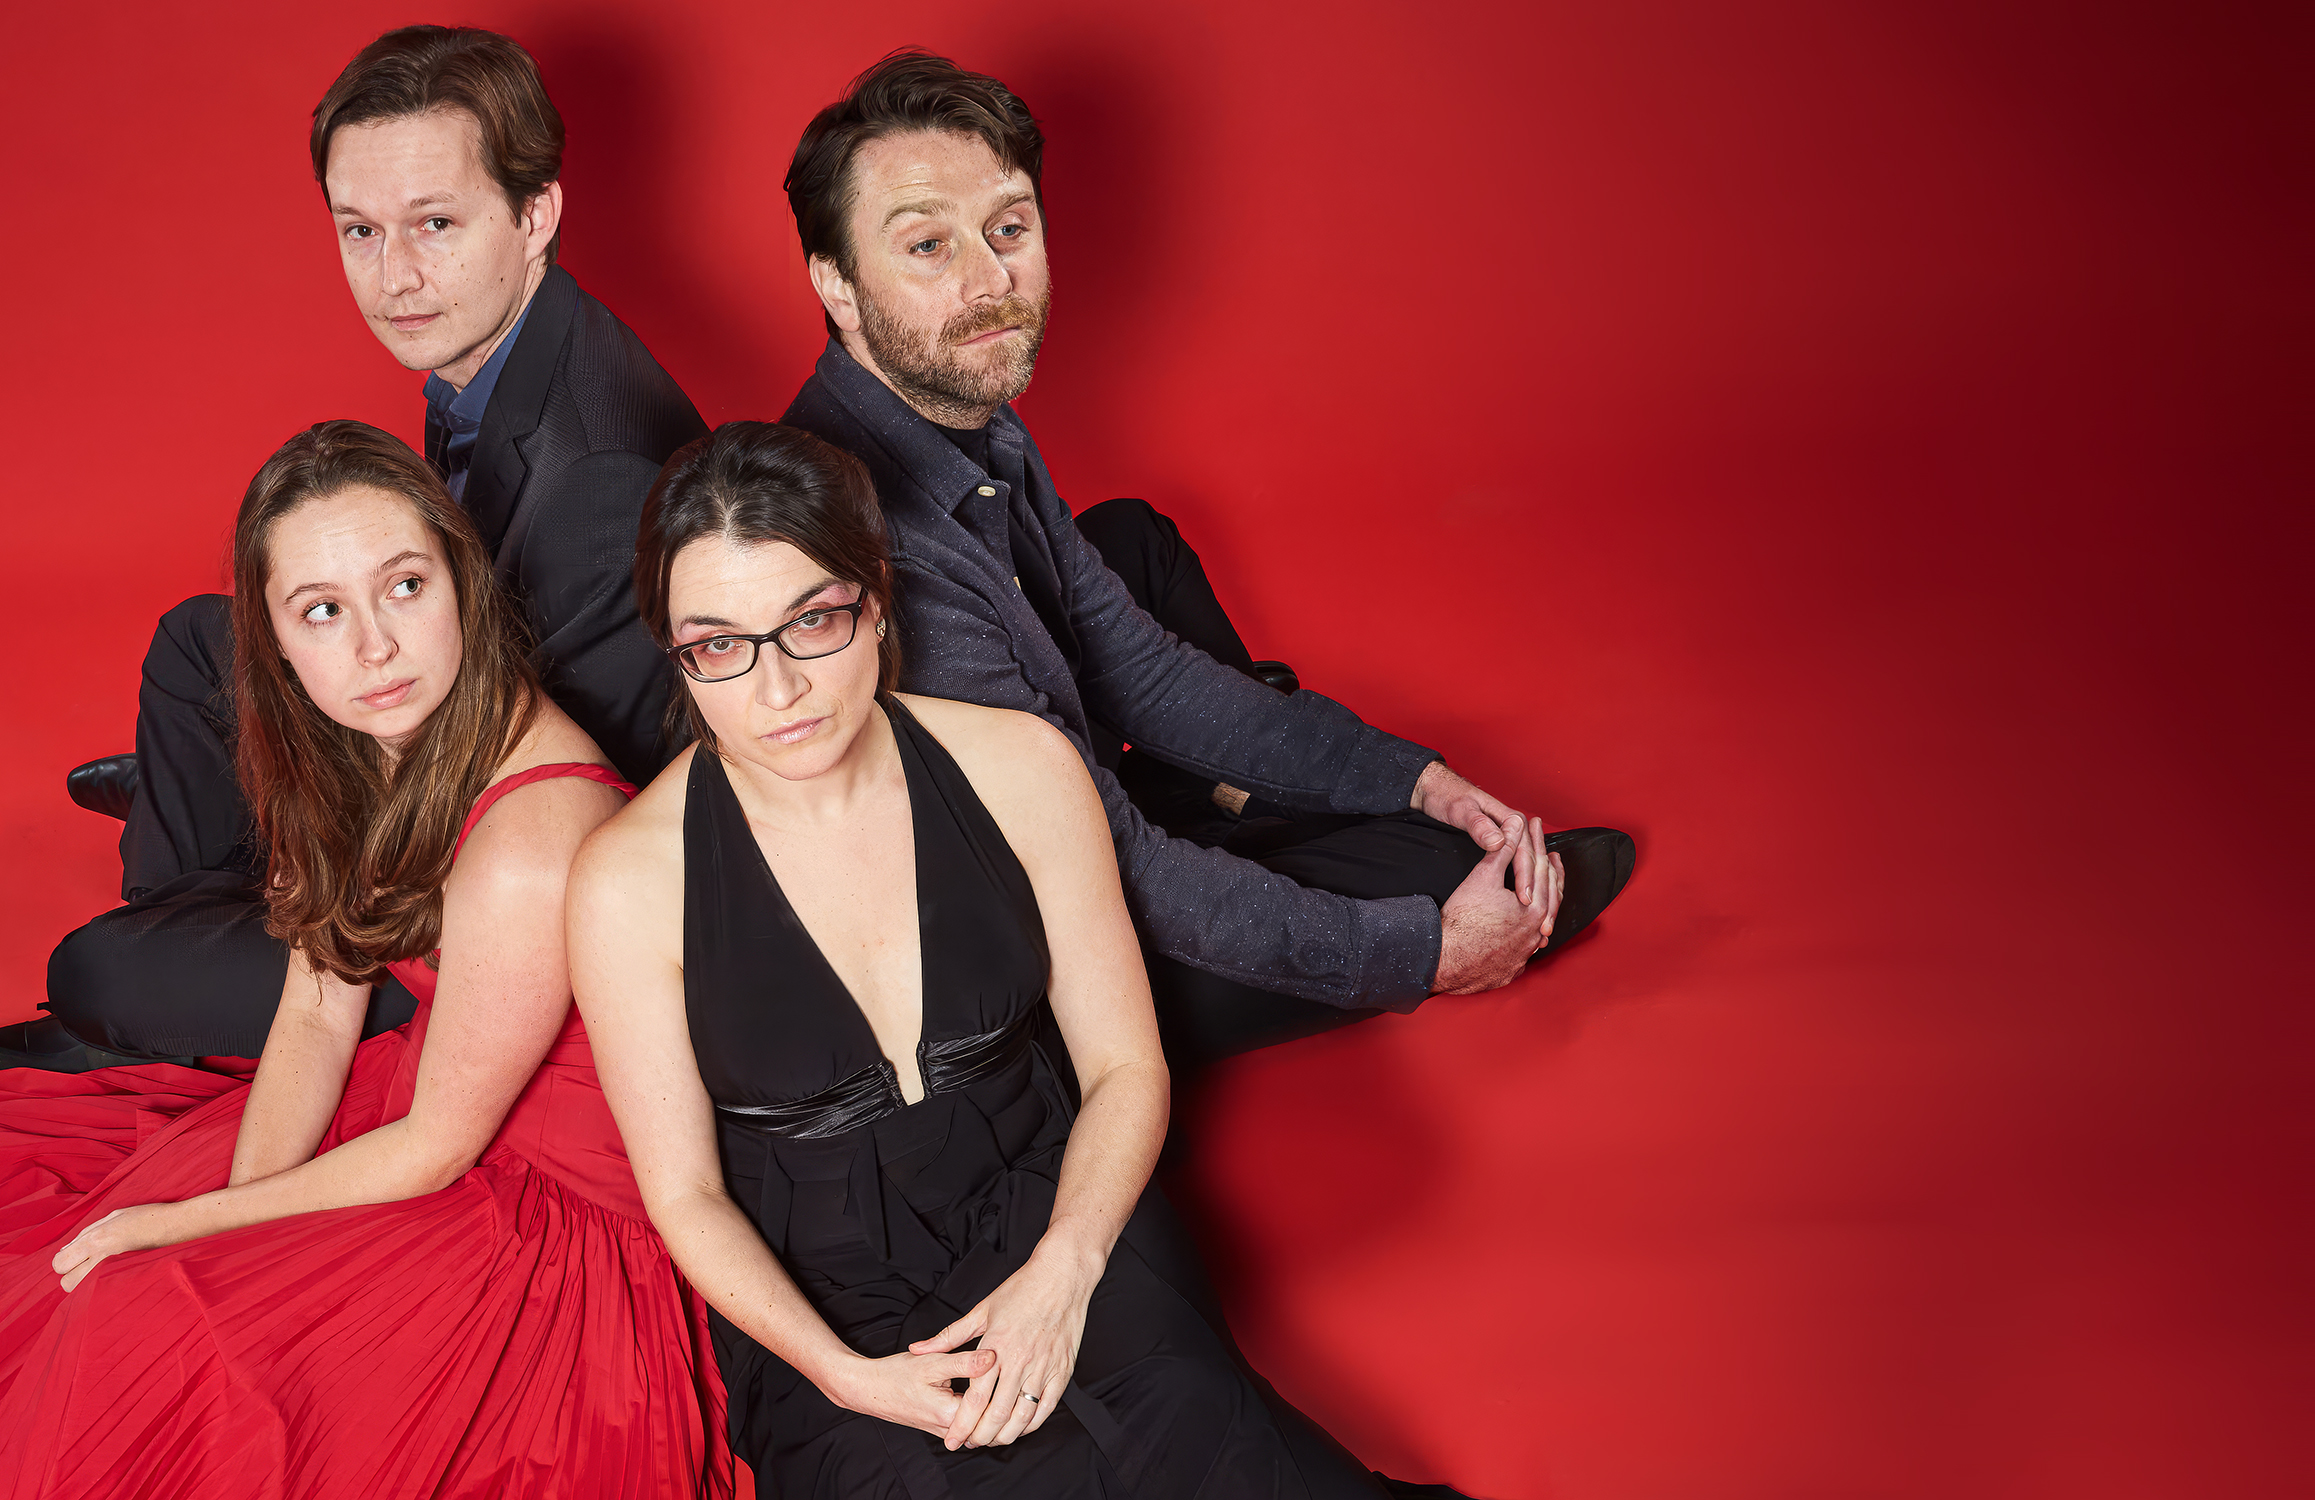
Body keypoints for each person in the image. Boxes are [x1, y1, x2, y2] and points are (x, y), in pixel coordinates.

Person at [568, 420, 1464, 1496]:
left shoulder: (1022, 768)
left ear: (875, 597)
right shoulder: (624, 881)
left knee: (1206, 1448)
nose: (776, 690)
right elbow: (685, 1196)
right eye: (717, 646)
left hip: (1049, 1196)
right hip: (824, 1297)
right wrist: (843, 1377)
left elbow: (1124, 1067)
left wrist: (1066, 1268)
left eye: (811, 621)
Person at [777, 52, 1636, 1067]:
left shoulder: (964, 412)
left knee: (1138, 556)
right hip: (1015, 952)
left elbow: (1140, 668)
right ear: (836, 285)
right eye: (927, 245)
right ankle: (1251, 851)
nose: (990, 280)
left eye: (1008, 229)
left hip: (1078, 823)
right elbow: (1105, 863)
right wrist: (1425, 953)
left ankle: (1239, 816)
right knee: (1439, 877)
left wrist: (1414, 777)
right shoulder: (874, 546)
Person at [0, 422, 728, 1499]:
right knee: (108, 1292)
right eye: (323, 611)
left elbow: (437, 1146)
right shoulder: (355, 745)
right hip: (425, 1106)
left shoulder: (533, 840)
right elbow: (315, 1010)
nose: (375, 648)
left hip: (537, 1205)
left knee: (150, 1323)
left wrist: (198, 1234)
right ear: (276, 642)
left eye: (404, 587)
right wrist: (244, 1216)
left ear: (461, 584)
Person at [10, 24, 707, 1072]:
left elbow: (562, 808)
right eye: (361, 231)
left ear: (534, 214)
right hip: (462, 717)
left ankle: (161, 970)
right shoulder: (509, 349)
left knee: (94, 969)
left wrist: (318, 785)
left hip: (515, 905)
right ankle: (196, 889)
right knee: (199, 644)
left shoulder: (597, 476)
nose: (395, 277)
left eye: (435, 224)